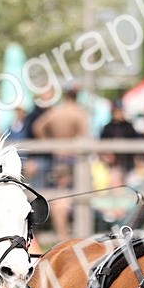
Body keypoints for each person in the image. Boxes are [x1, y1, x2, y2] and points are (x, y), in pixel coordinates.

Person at [32, 90, 90, 240]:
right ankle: (70, 237)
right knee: (74, 197)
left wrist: (50, 145)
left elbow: (37, 127)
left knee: (60, 195)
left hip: (57, 158)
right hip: (72, 159)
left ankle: (62, 236)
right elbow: (85, 135)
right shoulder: (78, 113)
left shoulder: (55, 112)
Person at [99, 101, 143, 174]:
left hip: (128, 163)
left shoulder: (129, 127)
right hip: (112, 165)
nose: (120, 113)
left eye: (121, 111)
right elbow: (101, 145)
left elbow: (136, 141)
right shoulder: (107, 128)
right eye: (118, 111)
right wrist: (107, 154)